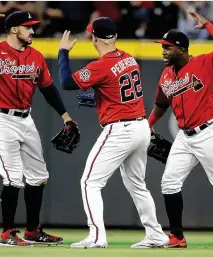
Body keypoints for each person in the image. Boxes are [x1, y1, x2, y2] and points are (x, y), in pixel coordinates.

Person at [0, 11, 76, 246]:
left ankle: (32, 231)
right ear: (13, 29)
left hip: (26, 120)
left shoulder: (36, 56)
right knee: (13, 179)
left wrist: (66, 116)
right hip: (0, 120)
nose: (32, 30)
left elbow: (48, 89)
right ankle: (7, 233)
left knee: (39, 177)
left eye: (32, 26)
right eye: (28, 27)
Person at [148, 11, 213, 249]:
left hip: (209, 132)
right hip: (184, 137)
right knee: (169, 183)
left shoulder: (205, 63)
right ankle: (177, 236)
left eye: (168, 47)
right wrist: (147, 126)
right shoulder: (166, 75)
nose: (163, 51)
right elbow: (161, 104)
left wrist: (208, 25)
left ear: (182, 49)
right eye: (162, 47)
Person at [58, 17, 168, 249]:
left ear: (94, 38)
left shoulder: (101, 65)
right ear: (115, 37)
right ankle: (156, 234)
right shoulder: (129, 58)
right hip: (140, 127)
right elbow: (116, 90)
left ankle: (97, 236)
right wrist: (99, 97)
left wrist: (62, 53)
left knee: (90, 182)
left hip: (120, 129)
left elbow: (67, 82)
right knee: (138, 185)